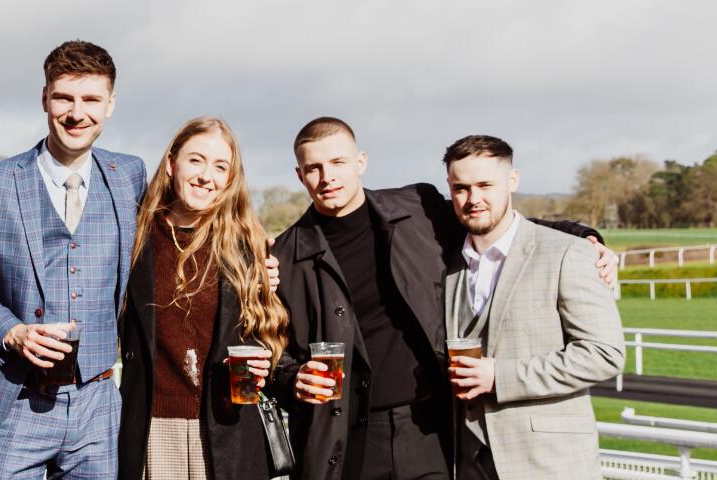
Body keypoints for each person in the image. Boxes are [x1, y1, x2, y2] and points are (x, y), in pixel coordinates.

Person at [274, 117, 617, 480]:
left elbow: (494, 219)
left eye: (338, 163)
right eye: (314, 168)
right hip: (346, 438)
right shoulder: (283, 256)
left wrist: (583, 235)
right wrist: (290, 378)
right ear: (300, 175)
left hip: (432, 430)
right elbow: (266, 347)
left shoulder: (418, 208)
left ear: (361, 162)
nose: (327, 177)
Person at [0, 40, 144, 479]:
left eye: (91, 99)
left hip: (99, 407)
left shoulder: (129, 175)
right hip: (14, 403)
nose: (77, 113)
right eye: (64, 97)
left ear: (111, 104)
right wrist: (13, 332)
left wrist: (255, 263)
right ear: (45, 98)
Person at [439, 135, 624, 480]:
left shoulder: (568, 252)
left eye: (485, 185)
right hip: (463, 464)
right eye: (460, 188)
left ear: (513, 181)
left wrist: (501, 376)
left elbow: (605, 354)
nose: (473, 198)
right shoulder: (445, 264)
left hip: (549, 464)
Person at [117, 117, 289, 480]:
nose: (205, 176)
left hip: (227, 428)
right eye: (196, 160)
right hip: (153, 428)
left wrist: (264, 362)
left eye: (220, 166)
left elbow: (270, 338)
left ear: (230, 179)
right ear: (171, 165)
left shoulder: (246, 248)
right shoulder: (133, 239)